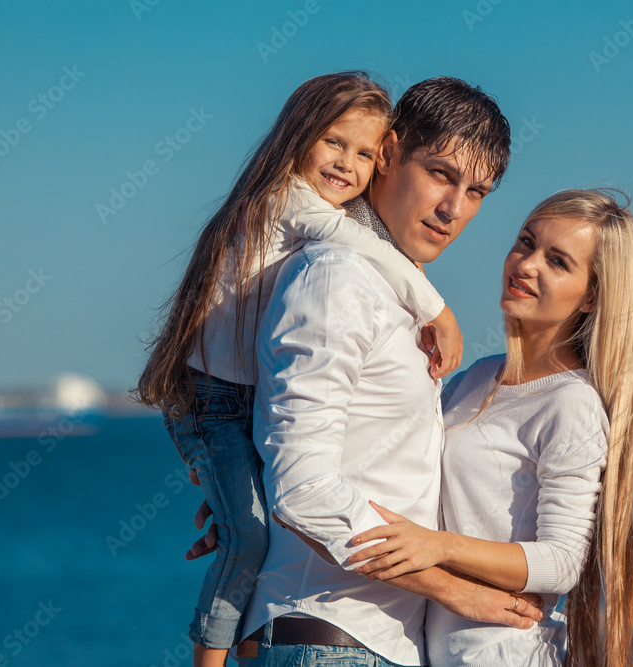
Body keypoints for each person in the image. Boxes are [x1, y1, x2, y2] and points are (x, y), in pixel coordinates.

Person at [135, 72, 463, 667]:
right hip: (214, 403)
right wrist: (439, 309)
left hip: (231, 404)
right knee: (246, 538)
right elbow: (354, 242)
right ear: (297, 137)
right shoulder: (290, 202)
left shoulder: (310, 224)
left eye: (365, 153)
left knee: (246, 528)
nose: (347, 163)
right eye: (334, 142)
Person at [231, 77, 546, 667]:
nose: (454, 209)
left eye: (476, 191)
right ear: (389, 154)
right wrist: (452, 588)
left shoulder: (400, 291)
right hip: (327, 635)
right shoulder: (337, 279)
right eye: (441, 174)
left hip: (372, 644)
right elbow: (303, 488)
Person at [349, 189, 633, 666]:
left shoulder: (571, 403)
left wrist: (437, 547)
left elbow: (561, 563)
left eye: (558, 262)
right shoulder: (477, 376)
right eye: (526, 242)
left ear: (592, 296)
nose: (527, 264)